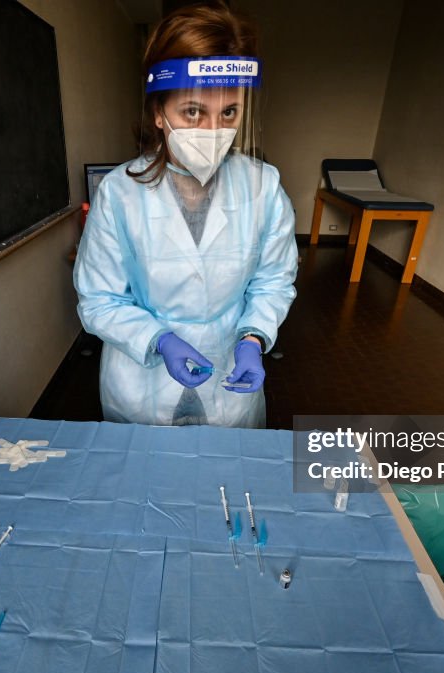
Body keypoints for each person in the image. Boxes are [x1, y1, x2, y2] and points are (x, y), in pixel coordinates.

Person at [73, 3, 297, 428]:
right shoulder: (120, 193)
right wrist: (159, 339)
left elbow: (273, 281)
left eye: (228, 112)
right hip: (142, 384)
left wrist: (253, 338)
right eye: (192, 111)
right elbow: (99, 299)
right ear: (159, 113)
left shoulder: (263, 186)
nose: (214, 130)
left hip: (229, 379)